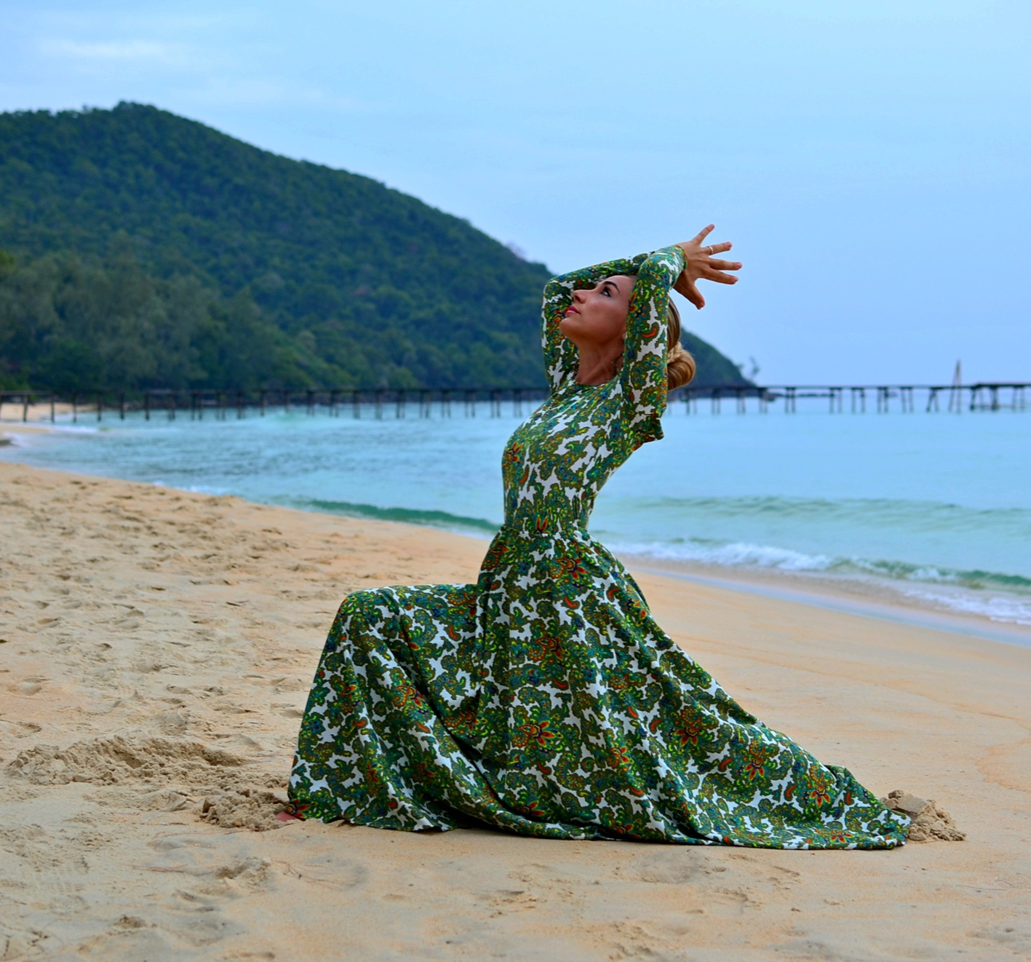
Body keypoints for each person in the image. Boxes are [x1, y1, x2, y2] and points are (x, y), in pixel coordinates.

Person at [287, 226, 910, 848]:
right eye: (594, 288)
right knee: (370, 615)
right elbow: (555, 288)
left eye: (605, 293)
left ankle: (800, 796)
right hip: (510, 587)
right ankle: (344, 789)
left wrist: (667, 263)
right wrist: (643, 263)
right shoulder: (568, 391)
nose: (582, 295)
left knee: (670, 723)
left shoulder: (629, 400)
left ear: (634, 326)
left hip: (565, 593)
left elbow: (634, 297)